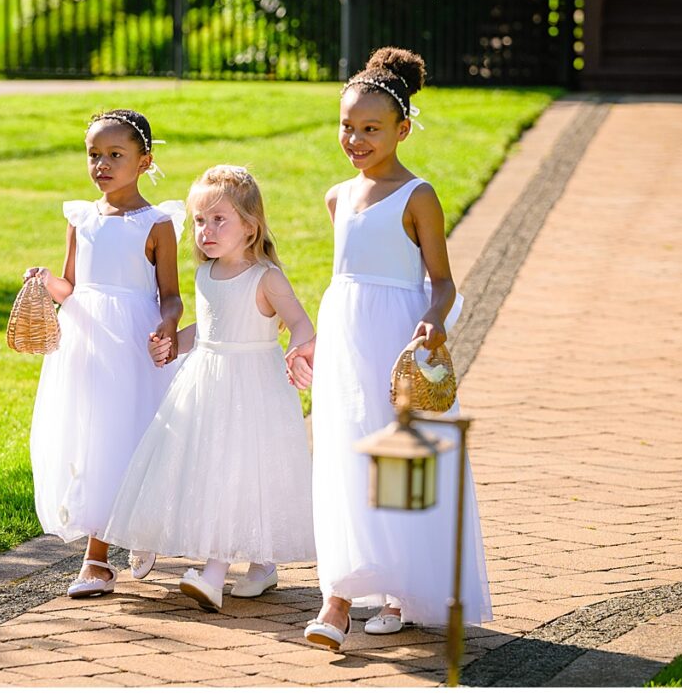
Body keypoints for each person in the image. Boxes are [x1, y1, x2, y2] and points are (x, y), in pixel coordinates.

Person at [288, 47, 492, 650]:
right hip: (349, 338)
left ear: (402, 129)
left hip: (399, 337)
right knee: (345, 455)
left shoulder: (418, 195)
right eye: (347, 127)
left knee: (398, 454)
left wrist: (433, 321)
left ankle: (401, 590)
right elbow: (346, 281)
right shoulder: (336, 198)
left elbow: (443, 280)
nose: (355, 139)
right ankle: (339, 599)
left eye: (370, 129)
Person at [104, 164, 316, 612]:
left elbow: (300, 323)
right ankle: (261, 564)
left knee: (243, 472)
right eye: (200, 221)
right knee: (210, 467)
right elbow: (207, 330)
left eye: (219, 219)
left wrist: (298, 349)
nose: (206, 230)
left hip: (253, 388)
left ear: (250, 226)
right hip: (207, 383)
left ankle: (214, 574)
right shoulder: (206, 276)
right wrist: (171, 345)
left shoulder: (266, 277)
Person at [24, 109, 186, 598]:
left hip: (134, 343)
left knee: (131, 437)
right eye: (94, 155)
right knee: (91, 440)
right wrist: (45, 282)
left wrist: (169, 324)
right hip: (86, 341)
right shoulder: (81, 218)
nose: (102, 164)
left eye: (116, 155)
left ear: (144, 162)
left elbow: (171, 295)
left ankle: (127, 535)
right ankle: (96, 559)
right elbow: (71, 285)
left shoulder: (157, 224)